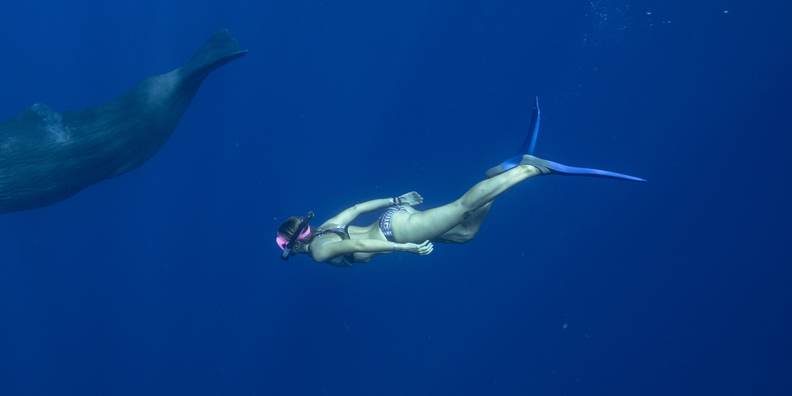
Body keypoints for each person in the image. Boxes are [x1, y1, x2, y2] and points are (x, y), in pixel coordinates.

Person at [276, 99, 644, 267]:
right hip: (395, 217)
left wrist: (407, 250)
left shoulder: (321, 251)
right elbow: (356, 209)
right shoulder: (326, 227)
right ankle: (502, 171)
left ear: (291, 246)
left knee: (462, 208)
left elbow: (368, 242)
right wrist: (395, 197)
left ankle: (531, 169)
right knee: (466, 234)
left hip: (396, 233)